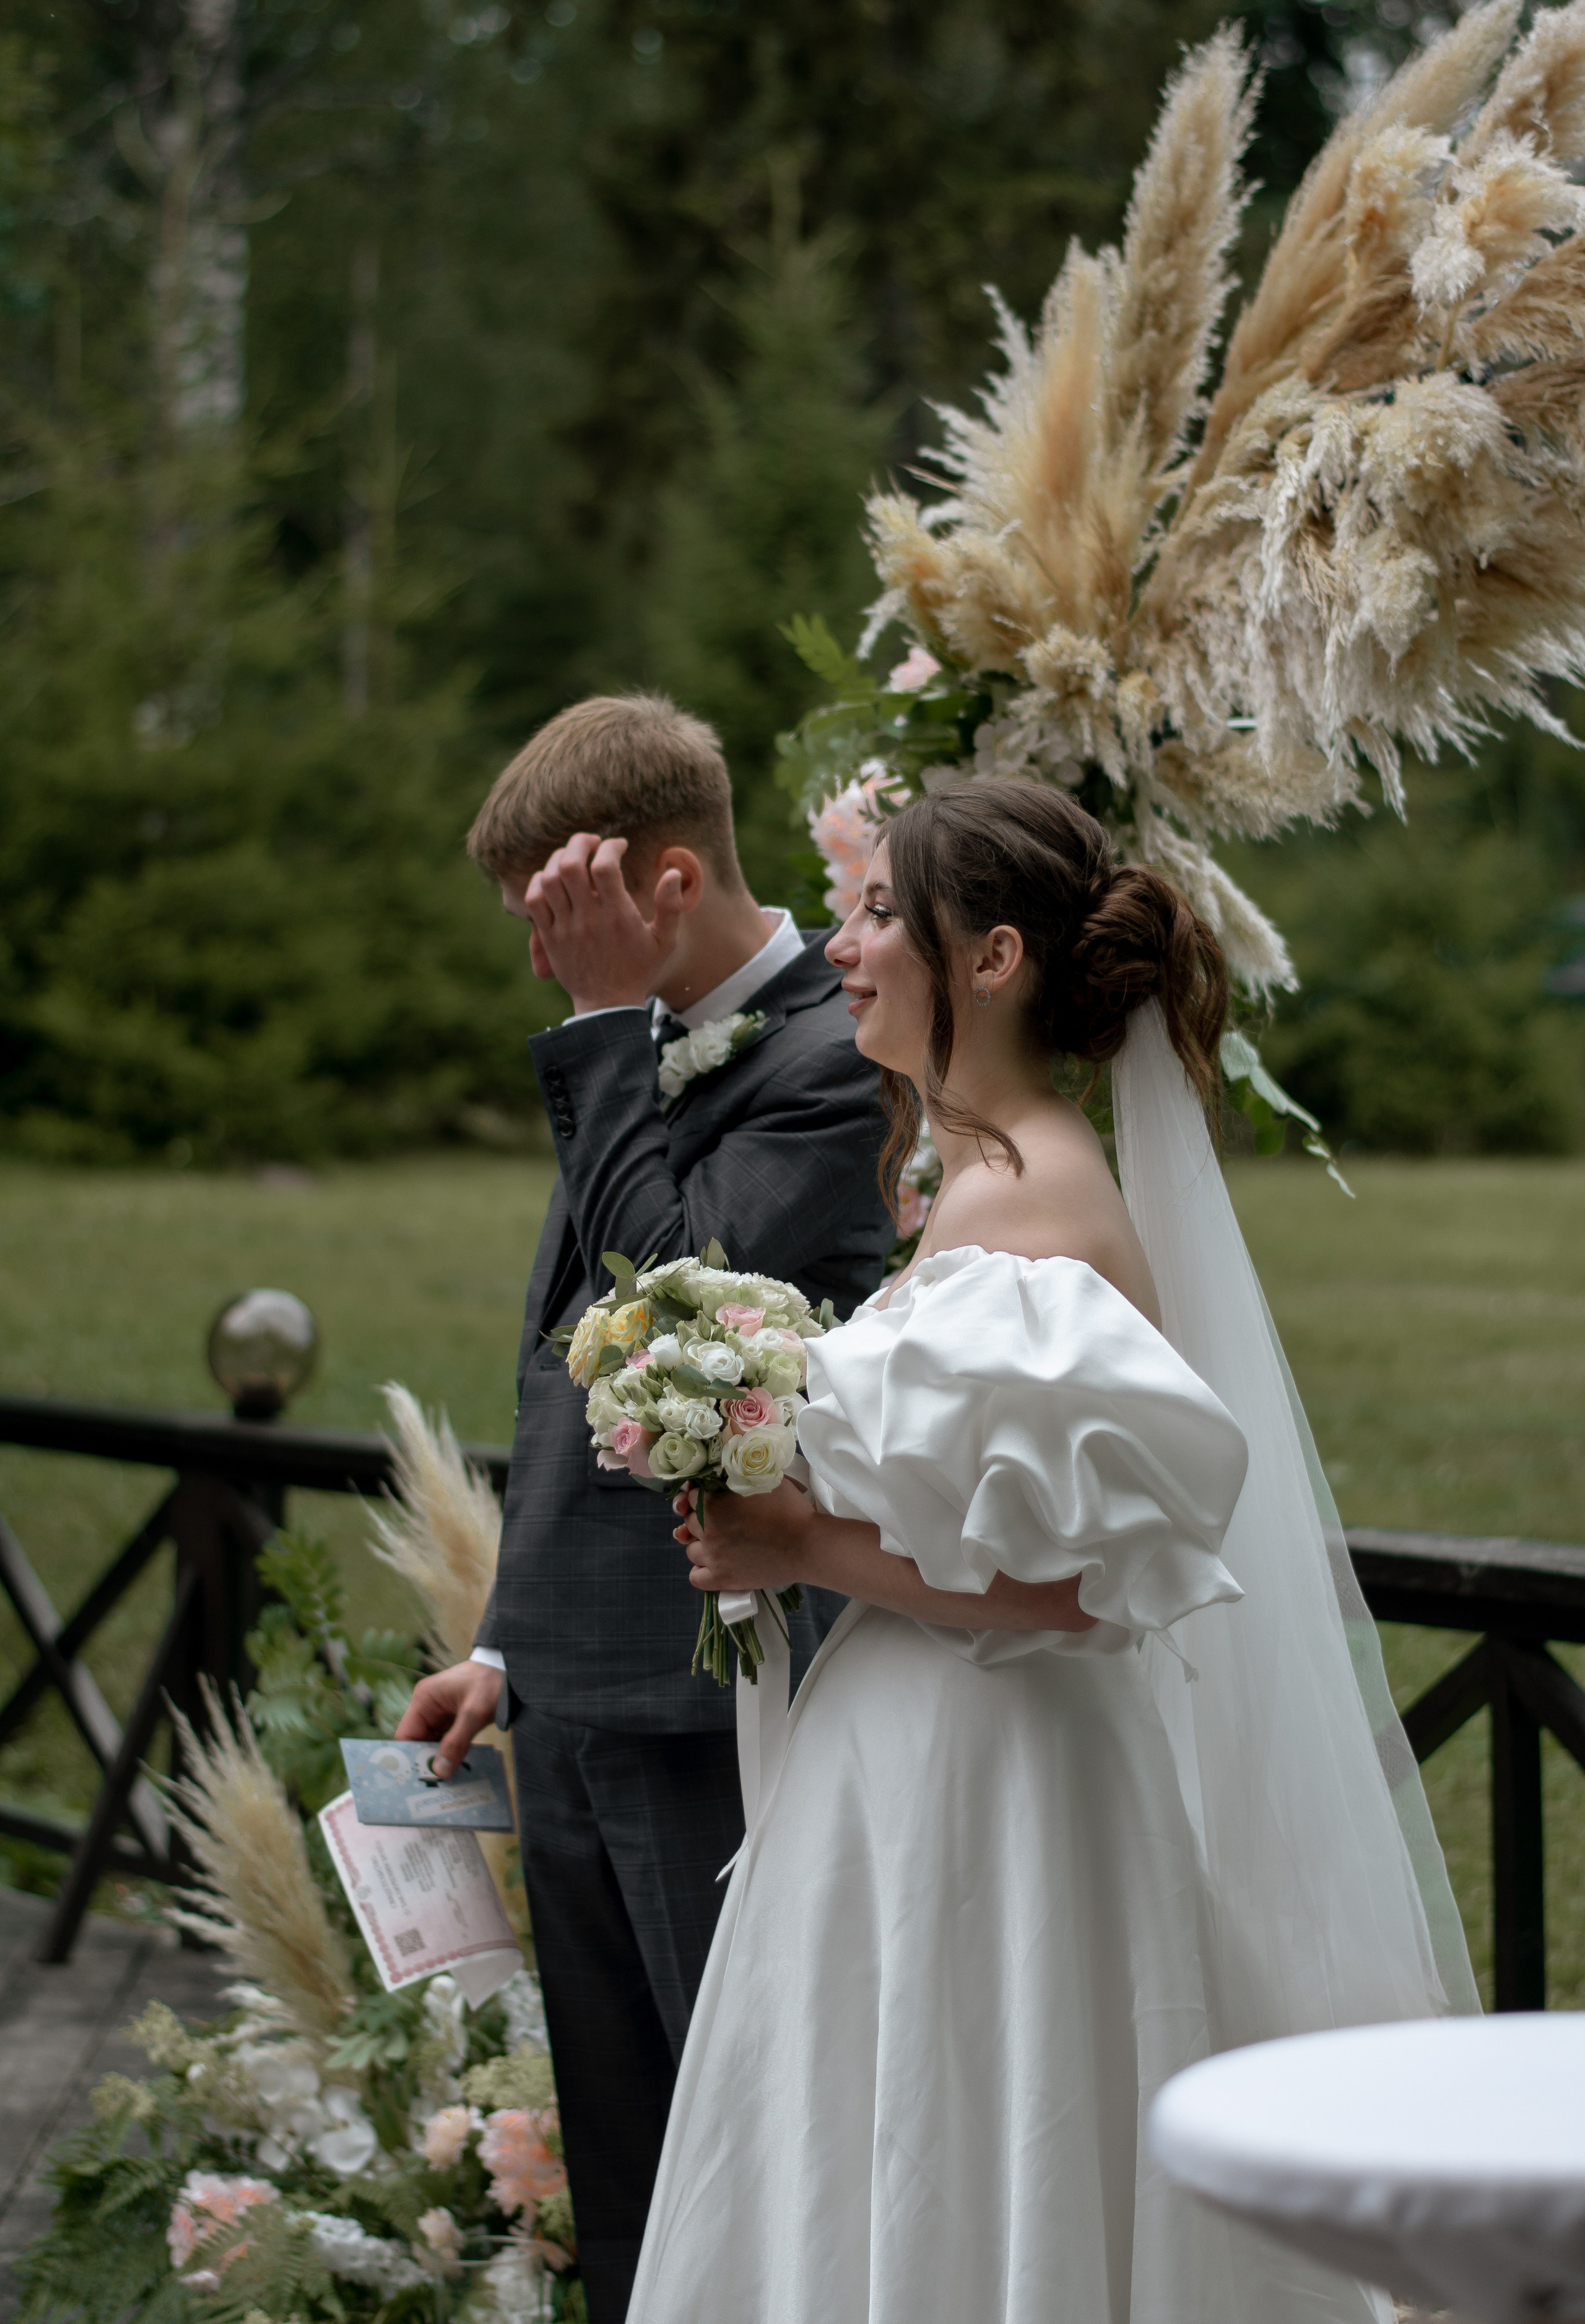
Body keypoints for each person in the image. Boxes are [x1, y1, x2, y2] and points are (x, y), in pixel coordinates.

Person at [625, 779, 1477, 2324]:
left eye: (882, 912)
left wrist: (800, 1537)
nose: (842, 941)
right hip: (932, 1763)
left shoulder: (1034, 1210)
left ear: (994, 957)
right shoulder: (976, 1183)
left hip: (991, 1782)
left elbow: (1074, 1596)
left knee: (970, 2129)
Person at [396, 695, 892, 2322]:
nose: (546, 960)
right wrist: (506, 1653)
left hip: (710, 1691)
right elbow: (574, 1387)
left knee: (735, 2117)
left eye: (561, 917)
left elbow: (675, 1306)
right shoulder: (643, 1042)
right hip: (581, 1682)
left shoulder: (830, 1065)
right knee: (623, 2151)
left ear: (661, 885)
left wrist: (606, 1033)